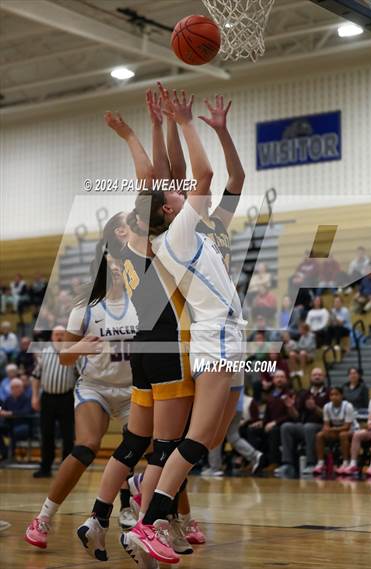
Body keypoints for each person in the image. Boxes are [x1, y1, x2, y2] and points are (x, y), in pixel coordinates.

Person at [79, 88, 245, 565]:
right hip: (193, 338)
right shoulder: (177, 232)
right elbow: (182, 176)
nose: (178, 187)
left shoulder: (167, 234)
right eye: (174, 194)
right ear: (168, 211)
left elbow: (175, 179)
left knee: (189, 442)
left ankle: (138, 514)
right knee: (182, 444)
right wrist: (177, 123)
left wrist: (166, 125)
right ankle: (152, 519)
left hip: (195, 337)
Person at [24, 241, 140, 549]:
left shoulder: (142, 302)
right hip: (95, 386)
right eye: (110, 262)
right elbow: (64, 357)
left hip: (132, 389)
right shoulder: (84, 308)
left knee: (152, 449)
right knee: (87, 445)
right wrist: (79, 348)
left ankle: (144, 511)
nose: (115, 267)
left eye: (120, 262)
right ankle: (44, 517)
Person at [30, 326, 77, 478]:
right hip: (47, 398)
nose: (59, 337)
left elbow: (80, 377)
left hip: (67, 398)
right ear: (51, 336)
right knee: (46, 434)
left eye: (62, 334)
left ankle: (66, 469)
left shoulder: (72, 353)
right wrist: (35, 396)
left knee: (68, 435)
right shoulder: (44, 352)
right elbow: (36, 376)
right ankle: (45, 467)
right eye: (56, 334)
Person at [278, 367, 329, 478]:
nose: (317, 377)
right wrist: (291, 407)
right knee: (286, 426)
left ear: (324, 377)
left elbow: (329, 416)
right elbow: (296, 416)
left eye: (319, 375)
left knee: (309, 427)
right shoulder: (304, 393)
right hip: (304, 426)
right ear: (310, 377)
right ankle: (287, 463)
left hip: (321, 426)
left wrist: (315, 408)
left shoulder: (328, 393)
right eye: (314, 375)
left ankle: (311, 463)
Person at [204, 389, 264, 476]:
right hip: (238, 406)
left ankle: (214, 468)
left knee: (215, 436)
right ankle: (255, 455)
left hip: (224, 404)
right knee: (233, 436)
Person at [313, 387, 356, 475]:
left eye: (336, 394)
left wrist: (331, 429)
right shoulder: (327, 406)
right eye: (332, 395)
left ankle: (345, 462)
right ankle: (320, 463)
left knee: (343, 435)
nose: (334, 397)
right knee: (319, 435)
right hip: (336, 430)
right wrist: (326, 430)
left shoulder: (348, 406)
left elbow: (347, 426)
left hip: (352, 430)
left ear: (341, 396)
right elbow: (326, 424)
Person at [0, 378, 32, 460]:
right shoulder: (8, 399)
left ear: (21, 387)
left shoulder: (27, 398)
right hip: (9, 423)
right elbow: (3, 409)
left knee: (13, 432)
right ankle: (5, 452)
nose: (14, 389)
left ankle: (11, 455)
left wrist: (11, 413)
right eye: (12, 387)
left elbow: (26, 412)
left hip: (24, 425)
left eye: (16, 387)